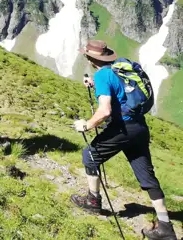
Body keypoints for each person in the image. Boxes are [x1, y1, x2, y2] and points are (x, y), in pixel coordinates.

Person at [70, 40, 176, 240]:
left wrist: (85, 125)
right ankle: (165, 227)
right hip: (139, 128)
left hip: (122, 128)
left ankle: (93, 201)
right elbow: (120, 93)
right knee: (146, 175)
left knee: (90, 155)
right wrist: (94, 83)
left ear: (91, 58)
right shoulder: (118, 70)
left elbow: (105, 110)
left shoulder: (103, 75)